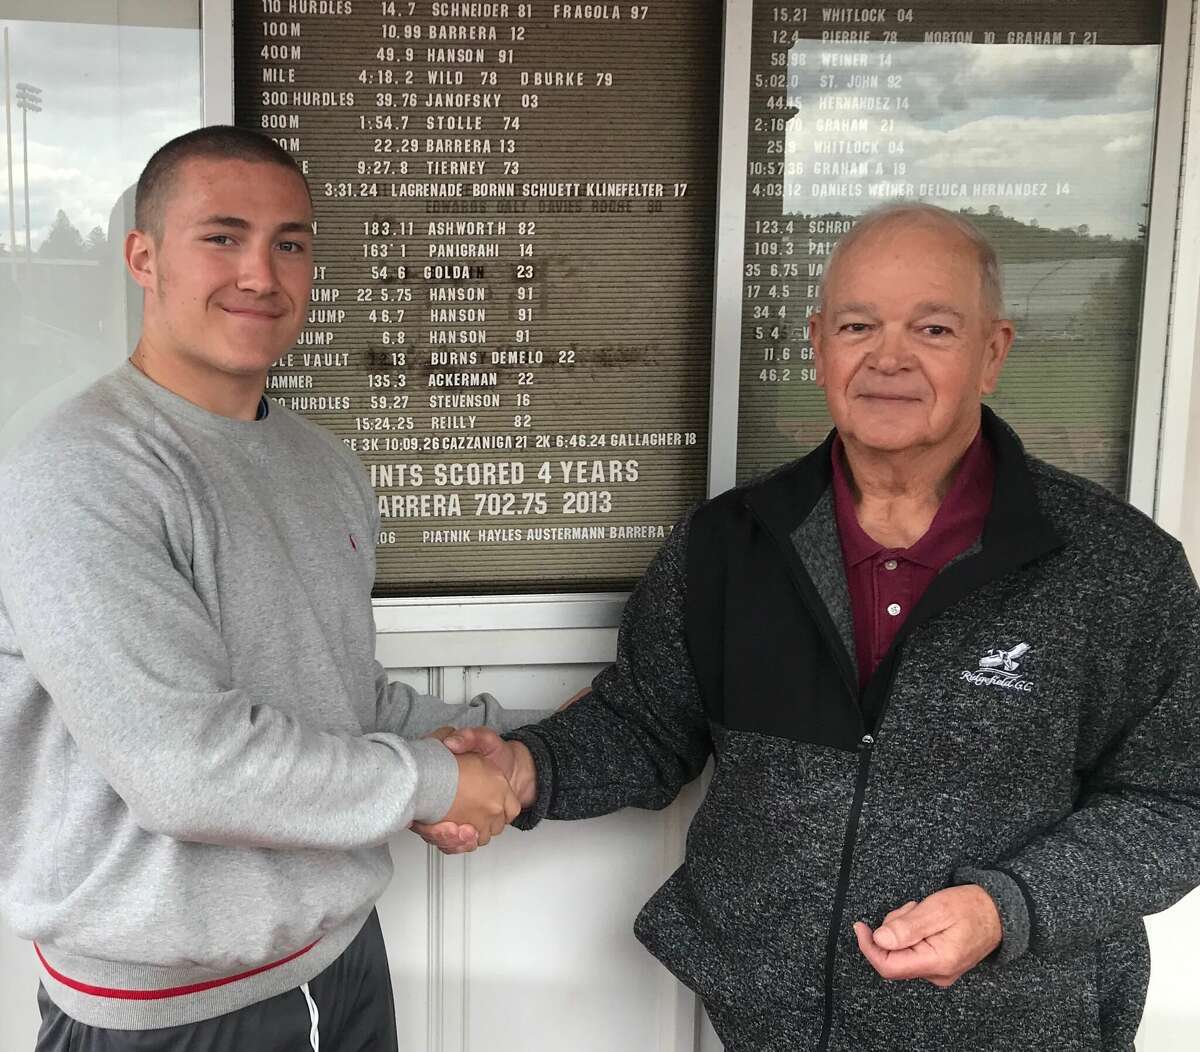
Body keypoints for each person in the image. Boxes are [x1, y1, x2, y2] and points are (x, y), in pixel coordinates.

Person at [422, 202, 1200, 1050]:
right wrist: (526, 768)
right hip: (773, 1028)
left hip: (1021, 1026)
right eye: (859, 326)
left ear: (993, 353)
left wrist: (1004, 909)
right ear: (819, 345)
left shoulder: (1117, 568)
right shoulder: (729, 543)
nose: (889, 357)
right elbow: (647, 725)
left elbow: (1177, 804)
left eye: (934, 328)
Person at [0, 126, 542, 1050]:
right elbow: (185, 769)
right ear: (143, 257)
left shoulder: (323, 464)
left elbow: (339, 695)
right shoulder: (80, 474)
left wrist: (511, 744)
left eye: (289, 244)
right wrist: (435, 783)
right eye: (223, 236)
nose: (260, 273)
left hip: (341, 957)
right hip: (167, 1011)